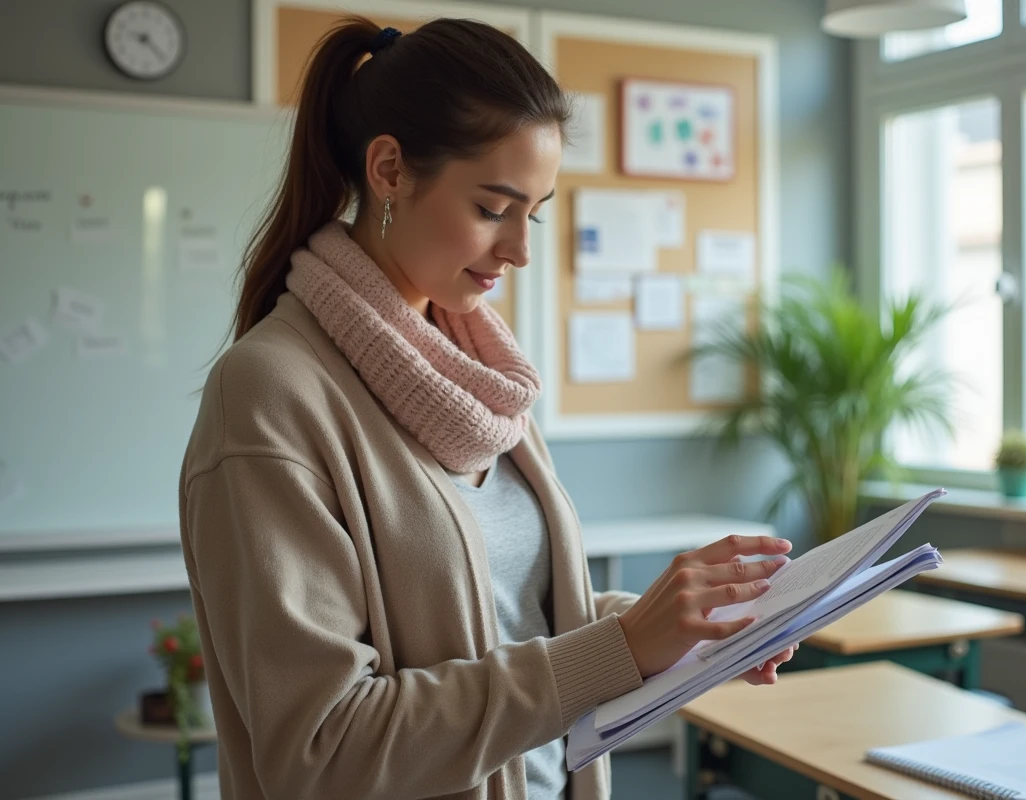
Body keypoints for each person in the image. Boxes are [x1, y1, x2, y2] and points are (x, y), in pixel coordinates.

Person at [178, 16, 795, 800]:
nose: (520, 251)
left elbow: (511, 617)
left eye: (531, 213)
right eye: (493, 207)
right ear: (391, 169)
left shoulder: (479, 374)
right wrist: (620, 650)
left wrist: (690, 629)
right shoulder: (270, 394)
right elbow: (321, 750)